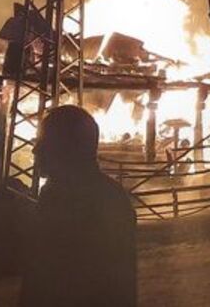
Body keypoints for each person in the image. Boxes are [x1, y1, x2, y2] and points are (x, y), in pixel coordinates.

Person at [19, 105, 137, 307]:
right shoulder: (55, 193)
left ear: (67, 147)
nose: (35, 149)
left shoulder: (95, 200)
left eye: (44, 142)